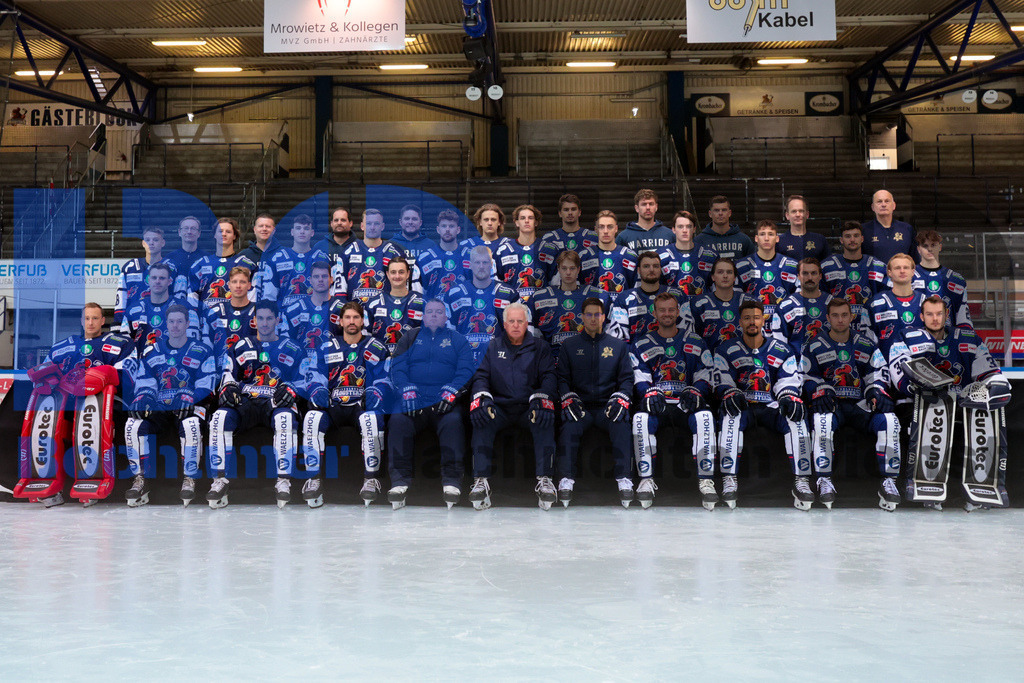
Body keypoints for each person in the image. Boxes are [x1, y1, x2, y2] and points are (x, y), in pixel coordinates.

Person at [888, 295, 1011, 510]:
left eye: (939, 314)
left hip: (961, 405)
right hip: (922, 403)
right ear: (921, 316)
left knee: (987, 410)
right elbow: (899, 369)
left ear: (946, 315)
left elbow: (989, 369)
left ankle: (982, 485)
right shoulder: (906, 336)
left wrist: (997, 383)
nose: (935, 319)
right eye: (930, 314)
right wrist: (914, 386)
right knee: (931, 408)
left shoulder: (968, 338)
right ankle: (927, 485)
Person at [14, 303, 134, 507]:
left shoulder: (118, 343)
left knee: (90, 423)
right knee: (45, 424)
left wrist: (103, 376)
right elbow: (46, 370)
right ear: (81, 321)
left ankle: (92, 479)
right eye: (87, 318)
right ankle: (46, 480)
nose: (91, 322)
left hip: (100, 403)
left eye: (95, 318)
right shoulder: (63, 346)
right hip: (65, 404)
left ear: (103, 321)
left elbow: (128, 373)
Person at [801, 298, 902, 511]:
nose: (840, 320)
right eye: (835, 315)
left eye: (844, 315)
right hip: (832, 405)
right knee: (821, 420)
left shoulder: (866, 343)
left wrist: (876, 390)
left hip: (860, 404)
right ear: (827, 318)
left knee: (890, 420)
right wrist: (819, 390)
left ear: (851, 317)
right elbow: (807, 376)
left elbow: (878, 373)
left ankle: (889, 481)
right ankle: (824, 479)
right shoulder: (814, 344)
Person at [713, 301, 813, 510]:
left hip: (770, 405)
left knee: (796, 415)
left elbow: (787, 380)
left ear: (763, 320)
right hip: (744, 406)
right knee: (730, 415)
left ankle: (801, 480)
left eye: (756, 317)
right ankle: (729, 479)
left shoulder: (781, 349)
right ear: (740, 322)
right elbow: (723, 378)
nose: (752, 322)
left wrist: (787, 395)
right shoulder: (726, 349)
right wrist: (730, 391)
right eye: (747, 318)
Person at [207, 300, 304, 508]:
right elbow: (227, 373)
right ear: (254, 320)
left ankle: (283, 481)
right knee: (219, 417)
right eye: (260, 318)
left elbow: (303, 378)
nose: (265, 323)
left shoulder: (292, 348)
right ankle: (219, 481)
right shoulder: (241, 345)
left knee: (286, 418)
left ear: (278, 320)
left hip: (275, 402)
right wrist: (228, 387)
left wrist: (291, 389)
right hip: (246, 402)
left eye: (270, 318)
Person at [385, 299, 475, 509]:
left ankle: (452, 483)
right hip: (413, 399)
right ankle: (399, 483)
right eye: (430, 312)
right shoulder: (409, 337)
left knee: (453, 423)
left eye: (439, 312)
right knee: (397, 421)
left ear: (446, 317)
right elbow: (397, 367)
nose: (434, 315)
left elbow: (466, 370)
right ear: (423, 317)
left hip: (443, 400)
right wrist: (405, 389)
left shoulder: (458, 339)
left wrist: (452, 392)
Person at [124, 304, 217, 507]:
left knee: (191, 425)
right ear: (166, 324)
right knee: (132, 423)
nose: (175, 326)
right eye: (171, 322)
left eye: (180, 321)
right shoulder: (152, 350)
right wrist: (144, 399)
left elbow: (207, 384)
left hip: (189, 407)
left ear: (187, 324)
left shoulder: (202, 350)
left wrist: (189, 398)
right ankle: (141, 479)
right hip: (160, 406)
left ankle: (190, 479)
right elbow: (145, 382)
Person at [631, 293, 718, 509]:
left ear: (678, 312)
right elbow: (639, 375)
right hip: (658, 404)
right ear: (654, 313)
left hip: (685, 403)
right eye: (662, 310)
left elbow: (706, 371)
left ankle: (706, 480)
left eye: (671, 310)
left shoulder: (695, 340)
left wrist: (697, 391)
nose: (667, 314)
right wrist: (648, 392)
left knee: (705, 416)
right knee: (640, 419)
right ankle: (645, 479)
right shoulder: (642, 343)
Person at [468, 301, 557, 510]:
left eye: (520, 321)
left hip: (529, 407)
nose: (516, 325)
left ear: (527, 324)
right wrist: (483, 397)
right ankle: (480, 480)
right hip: (499, 407)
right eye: (511, 321)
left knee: (545, 417)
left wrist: (541, 397)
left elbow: (549, 377)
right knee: (481, 418)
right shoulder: (491, 347)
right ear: (504, 324)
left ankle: (545, 480)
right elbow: (480, 377)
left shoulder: (540, 347)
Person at [302, 301, 390, 508]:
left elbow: (386, 377)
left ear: (363, 321)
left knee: (371, 420)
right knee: (311, 418)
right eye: (348, 318)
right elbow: (314, 375)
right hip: (334, 405)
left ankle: (371, 479)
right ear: (340, 321)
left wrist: (376, 390)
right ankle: (313, 479)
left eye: (356, 317)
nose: (352, 322)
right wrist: (318, 389)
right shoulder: (326, 346)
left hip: (361, 404)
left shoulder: (376, 347)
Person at [554, 298, 638, 507]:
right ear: (582, 317)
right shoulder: (569, 345)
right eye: (588, 314)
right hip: (580, 407)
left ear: (604, 317)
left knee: (621, 424)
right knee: (569, 427)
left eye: (597, 314)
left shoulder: (618, 346)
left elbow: (627, 379)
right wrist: (567, 398)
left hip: (606, 407)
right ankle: (566, 479)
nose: (593, 318)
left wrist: (622, 398)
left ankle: (624, 479)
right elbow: (562, 379)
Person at [527, 250, 609, 360]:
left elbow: (609, 329)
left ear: (579, 269)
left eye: (572, 268)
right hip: (554, 359)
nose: (568, 273)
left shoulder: (598, 295)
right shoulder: (540, 297)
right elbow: (531, 331)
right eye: (564, 268)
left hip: (588, 358)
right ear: (558, 269)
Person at [446, 246, 520, 362]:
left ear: (491, 264)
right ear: (470, 265)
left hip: (499, 362)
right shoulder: (454, 294)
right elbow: (448, 333)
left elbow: (518, 333)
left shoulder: (508, 294)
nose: (481, 266)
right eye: (477, 262)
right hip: (465, 362)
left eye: (485, 262)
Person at [821, 221, 887, 332]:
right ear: (841, 240)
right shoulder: (827, 266)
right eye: (848, 236)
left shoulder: (878, 266)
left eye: (856, 236)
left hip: (869, 328)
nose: (852, 240)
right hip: (837, 328)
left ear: (862, 239)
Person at [735, 219, 799, 335]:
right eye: (762, 234)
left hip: (783, 328)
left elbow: (798, 298)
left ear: (777, 238)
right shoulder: (742, 266)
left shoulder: (792, 265)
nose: (766, 238)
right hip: (751, 327)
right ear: (756, 238)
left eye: (770, 234)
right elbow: (734, 298)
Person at [122, 262, 199, 351]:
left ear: (169, 281)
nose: (157, 281)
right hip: (143, 362)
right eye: (154, 278)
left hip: (175, 362)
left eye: (162, 278)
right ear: (148, 280)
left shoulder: (185, 307)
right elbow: (124, 343)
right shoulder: (133, 310)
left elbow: (193, 342)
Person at [336, 208, 408, 303]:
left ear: (382, 226)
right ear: (362, 226)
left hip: (384, 313)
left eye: (376, 224)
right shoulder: (348, 252)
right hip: (355, 314)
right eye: (368, 223)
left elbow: (404, 288)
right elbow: (339, 292)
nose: (372, 227)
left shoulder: (394, 253)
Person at [608, 251, 682, 342]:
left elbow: (685, 334)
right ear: (639, 270)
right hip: (635, 354)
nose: (651, 270)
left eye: (655, 266)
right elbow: (618, 341)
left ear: (660, 269)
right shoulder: (624, 299)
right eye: (646, 266)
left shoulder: (678, 295)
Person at [771, 258, 837, 358]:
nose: (809, 278)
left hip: (828, 363)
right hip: (797, 367)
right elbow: (780, 344)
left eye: (814, 273)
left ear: (820, 276)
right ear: (798, 276)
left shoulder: (832, 303)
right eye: (805, 273)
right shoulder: (786, 306)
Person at [114, 226, 179, 330]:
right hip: (134, 320)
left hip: (164, 321)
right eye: (147, 240)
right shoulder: (130, 267)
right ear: (143, 243)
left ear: (163, 243)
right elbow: (121, 299)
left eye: (155, 240)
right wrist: (118, 324)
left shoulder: (173, 267)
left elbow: (178, 297)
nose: (151, 243)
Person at [258, 213, 328, 309]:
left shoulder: (321, 257)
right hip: (284, 319)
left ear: (312, 233)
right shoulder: (278, 258)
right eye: (298, 228)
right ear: (292, 232)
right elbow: (269, 296)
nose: (302, 232)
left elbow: (328, 292)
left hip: (313, 317)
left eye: (306, 229)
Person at [189, 217, 257, 312]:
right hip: (206, 321)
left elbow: (253, 297)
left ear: (234, 236)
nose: (224, 234)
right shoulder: (200, 265)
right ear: (215, 235)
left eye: (228, 232)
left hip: (236, 320)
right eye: (220, 231)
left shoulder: (247, 265)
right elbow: (192, 297)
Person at [679, 257, 745, 352]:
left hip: (742, 359)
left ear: (735, 277)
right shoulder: (698, 303)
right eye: (720, 272)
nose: (725, 276)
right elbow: (688, 337)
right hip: (709, 360)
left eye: (729, 272)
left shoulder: (747, 301)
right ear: (713, 277)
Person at [867, 253, 928, 352]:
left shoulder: (926, 302)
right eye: (897, 268)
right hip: (887, 365)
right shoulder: (875, 304)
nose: (902, 271)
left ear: (913, 272)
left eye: (906, 268)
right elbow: (868, 342)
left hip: (921, 363)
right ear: (889, 272)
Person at [364, 255, 425, 354]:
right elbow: (366, 339)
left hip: (413, 361)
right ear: (387, 274)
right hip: (382, 361)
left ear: (408, 274)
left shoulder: (421, 301)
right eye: (393, 272)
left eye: (401, 272)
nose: (397, 276)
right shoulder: (373, 304)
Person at [202, 266, 258, 371]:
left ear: (249, 286)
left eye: (242, 282)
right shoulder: (215, 312)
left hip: (250, 370)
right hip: (220, 369)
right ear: (229, 285)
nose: (238, 286)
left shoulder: (258, 311)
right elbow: (207, 345)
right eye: (234, 282)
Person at [494, 204, 554, 301]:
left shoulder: (549, 249)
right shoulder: (504, 250)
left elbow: (557, 283)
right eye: (522, 218)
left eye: (530, 218)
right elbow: (495, 282)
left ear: (536, 222)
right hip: (513, 308)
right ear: (516, 222)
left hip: (541, 306)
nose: (526, 221)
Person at [914, 230, 972, 329]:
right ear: (918, 249)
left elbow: (962, 316)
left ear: (940, 247)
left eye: (933, 245)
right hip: (917, 337)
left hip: (947, 338)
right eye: (925, 246)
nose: (930, 249)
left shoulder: (956, 280)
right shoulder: (908, 276)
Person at [283, 260, 341, 353]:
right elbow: (286, 341)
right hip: (303, 362)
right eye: (316, 276)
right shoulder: (296, 308)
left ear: (331, 279)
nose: (320, 279)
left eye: (325, 276)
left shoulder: (341, 308)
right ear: (310, 280)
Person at [657, 210, 717, 300]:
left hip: (702, 307)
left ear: (694, 229)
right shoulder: (660, 255)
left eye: (688, 226)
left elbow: (716, 287)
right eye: (680, 227)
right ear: (673, 229)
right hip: (671, 309)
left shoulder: (710, 255)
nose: (684, 230)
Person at [580, 210, 638, 300]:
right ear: (595, 229)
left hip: (622, 310)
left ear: (616, 228)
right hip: (593, 311)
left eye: (610, 227)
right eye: (601, 227)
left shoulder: (630, 256)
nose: (605, 231)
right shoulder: (584, 256)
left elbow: (637, 288)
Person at [419, 208, 472, 299]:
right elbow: (420, 291)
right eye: (444, 226)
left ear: (458, 230)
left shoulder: (470, 256)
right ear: (438, 229)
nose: (447, 230)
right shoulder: (426, 258)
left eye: (451, 226)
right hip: (434, 311)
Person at [538, 194, 597, 268]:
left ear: (579, 212)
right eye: (566, 210)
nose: (570, 213)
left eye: (573, 209)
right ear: (560, 213)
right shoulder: (549, 239)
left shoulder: (593, 237)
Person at [861, 189, 917, 264]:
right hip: (874, 274)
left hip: (901, 274)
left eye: (887, 201)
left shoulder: (907, 229)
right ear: (873, 207)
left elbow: (915, 259)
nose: (883, 204)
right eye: (879, 201)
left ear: (894, 205)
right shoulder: (864, 230)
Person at [694, 195, 754, 260]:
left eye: (724, 210)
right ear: (710, 214)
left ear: (729, 213)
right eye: (716, 210)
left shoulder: (744, 240)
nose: (720, 213)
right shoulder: (699, 241)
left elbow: (753, 265)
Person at [165, 215, 212, 296]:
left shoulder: (208, 259)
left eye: (193, 228)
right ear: (179, 232)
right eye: (186, 228)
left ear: (199, 233)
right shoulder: (169, 259)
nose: (189, 231)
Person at [315, 206, 357, 297]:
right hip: (326, 299)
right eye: (336, 220)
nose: (339, 223)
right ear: (331, 223)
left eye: (343, 220)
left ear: (350, 223)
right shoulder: (319, 247)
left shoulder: (360, 246)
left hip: (353, 300)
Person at [777, 195, 830, 261]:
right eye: (794, 211)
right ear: (787, 215)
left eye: (801, 211)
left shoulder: (820, 240)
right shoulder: (779, 242)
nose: (798, 214)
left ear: (807, 214)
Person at [389, 204, 435, 279]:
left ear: (420, 223)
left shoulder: (430, 245)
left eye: (414, 219)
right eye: (407, 219)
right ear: (401, 222)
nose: (410, 222)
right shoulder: (390, 245)